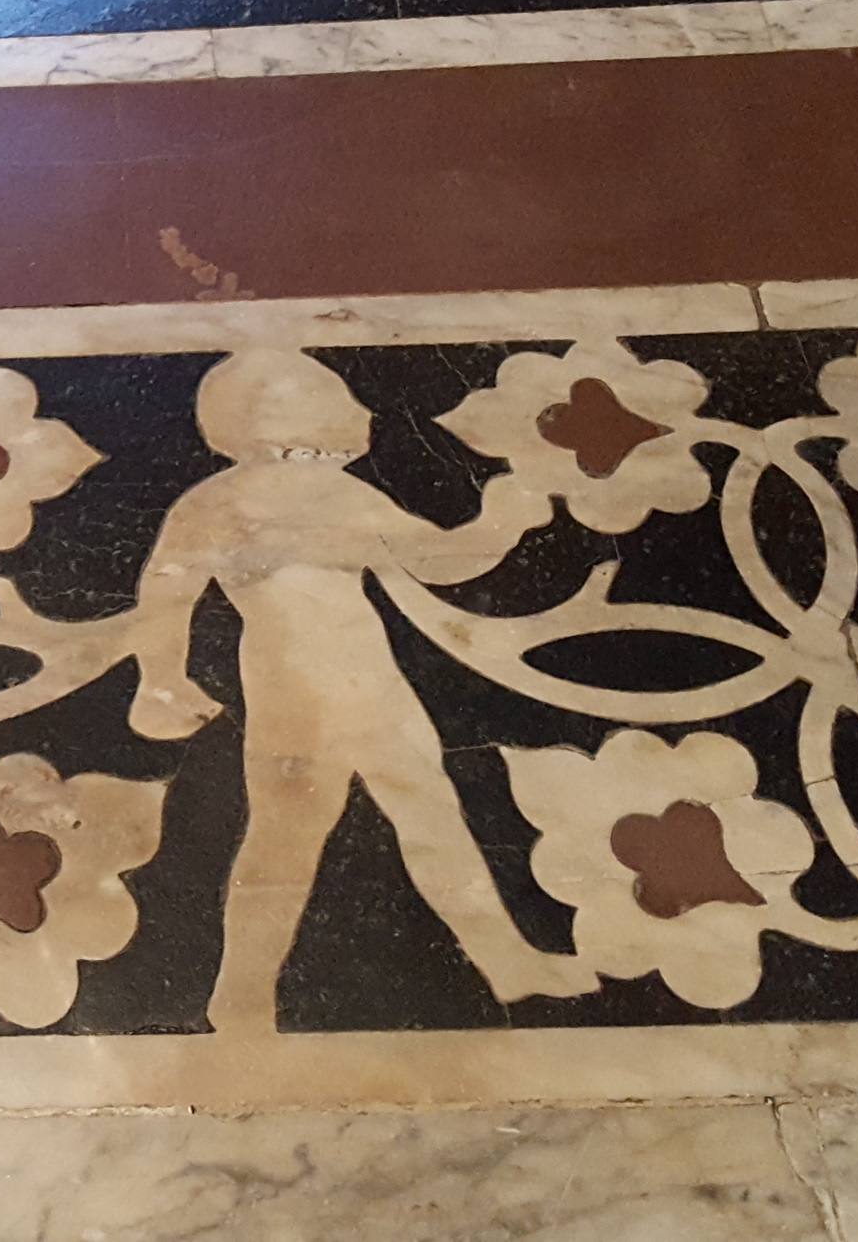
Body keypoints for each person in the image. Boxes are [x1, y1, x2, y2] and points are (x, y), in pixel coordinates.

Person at [110, 349, 596, 1031]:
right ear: (279, 416)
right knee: (316, 837)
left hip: (349, 689)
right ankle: (244, 990)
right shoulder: (266, 500)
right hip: (314, 696)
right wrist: (161, 679)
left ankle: (500, 961)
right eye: (324, 397)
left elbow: (164, 594)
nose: (353, 411)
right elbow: (169, 594)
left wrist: (502, 522)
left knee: (381, 825)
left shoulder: (280, 498)